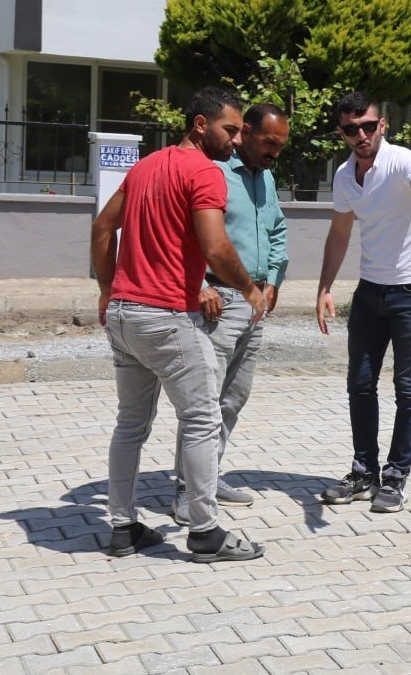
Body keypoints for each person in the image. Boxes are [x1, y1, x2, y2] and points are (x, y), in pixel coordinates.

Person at [91, 86, 266, 563]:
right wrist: (249, 288)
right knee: (203, 420)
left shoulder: (146, 166)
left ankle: (123, 527)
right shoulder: (205, 172)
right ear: (200, 124)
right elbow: (216, 248)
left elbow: (103, 227)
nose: (237, 140)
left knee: (130, 425)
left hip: (124, 315)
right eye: (230, 129)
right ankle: (205, 531)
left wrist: (107, 290)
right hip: (167, 317)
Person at [315, 91, 411, 513]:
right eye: (351, 129)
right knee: (359, 384)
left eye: (368, 126)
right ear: (341, 133)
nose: (361, 135)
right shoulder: (344, 176)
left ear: (382, 126)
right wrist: (324, 287)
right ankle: (363, 473)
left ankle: (395, 478)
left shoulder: (402, 160)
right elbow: (340, 233)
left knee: (408, 387)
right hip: (370, 291)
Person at [170, 103, 289, 526]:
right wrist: (196, 286)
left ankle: (208, 476)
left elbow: (277, 231)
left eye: (281, 145)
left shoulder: (266, 177)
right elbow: (182, 234)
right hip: (217, 299)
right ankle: (186, 490)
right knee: (204, 400)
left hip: (254, 300)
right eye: (269, 142)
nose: (275, 152)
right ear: (246, 132)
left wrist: (273, 279)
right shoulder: (214, 171)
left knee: (233, 397)